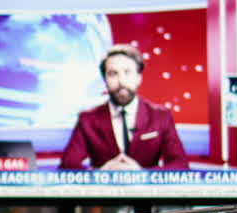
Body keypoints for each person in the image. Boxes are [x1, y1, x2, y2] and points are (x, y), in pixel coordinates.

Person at [58, 44, 188, 171]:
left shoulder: (160, 117)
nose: (121, 81)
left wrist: (142, 174)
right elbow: (67, 165)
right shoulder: (87, 119)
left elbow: (180, 165)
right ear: (105, 80)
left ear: (138, 78)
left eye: (127, 72)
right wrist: (100, 174)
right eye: (113, 74)